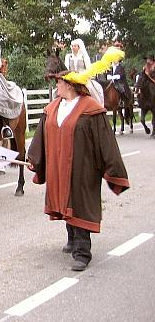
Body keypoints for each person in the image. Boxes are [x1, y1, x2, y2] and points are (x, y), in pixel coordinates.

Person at [27, 68, 129, 272]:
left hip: (83, 167)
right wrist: (35, 159)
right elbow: (42, 137)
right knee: (64, 201)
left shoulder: (90, 110)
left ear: (70, 85)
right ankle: (72, 238)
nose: (56, 86)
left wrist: (113, 169)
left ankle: (83, 251)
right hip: (58, 166)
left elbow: (105, 141)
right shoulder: (53, 108)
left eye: (59, 82)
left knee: (79, 203)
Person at [63, 38, 104, 104]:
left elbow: (88, 68)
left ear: (79, 47)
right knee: (57, 90)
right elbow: (66, 69)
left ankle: (97, 105)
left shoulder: (83, 56)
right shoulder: (68, 57)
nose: (73, 48)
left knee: (91, 88)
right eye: (72, 46)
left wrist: (82, 75)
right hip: (71, 79)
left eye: (75, 46)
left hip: (83, 78)